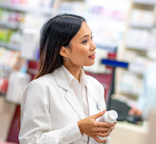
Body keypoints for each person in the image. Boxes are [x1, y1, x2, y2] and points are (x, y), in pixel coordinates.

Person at [19, 14, 116, 144]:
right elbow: (29, 141)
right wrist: (79, 129)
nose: (93, 46)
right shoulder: (41, 88)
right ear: (64, 51)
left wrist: (103, 131)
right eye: (85, 41)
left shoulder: (96, 87)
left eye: (91, 38)